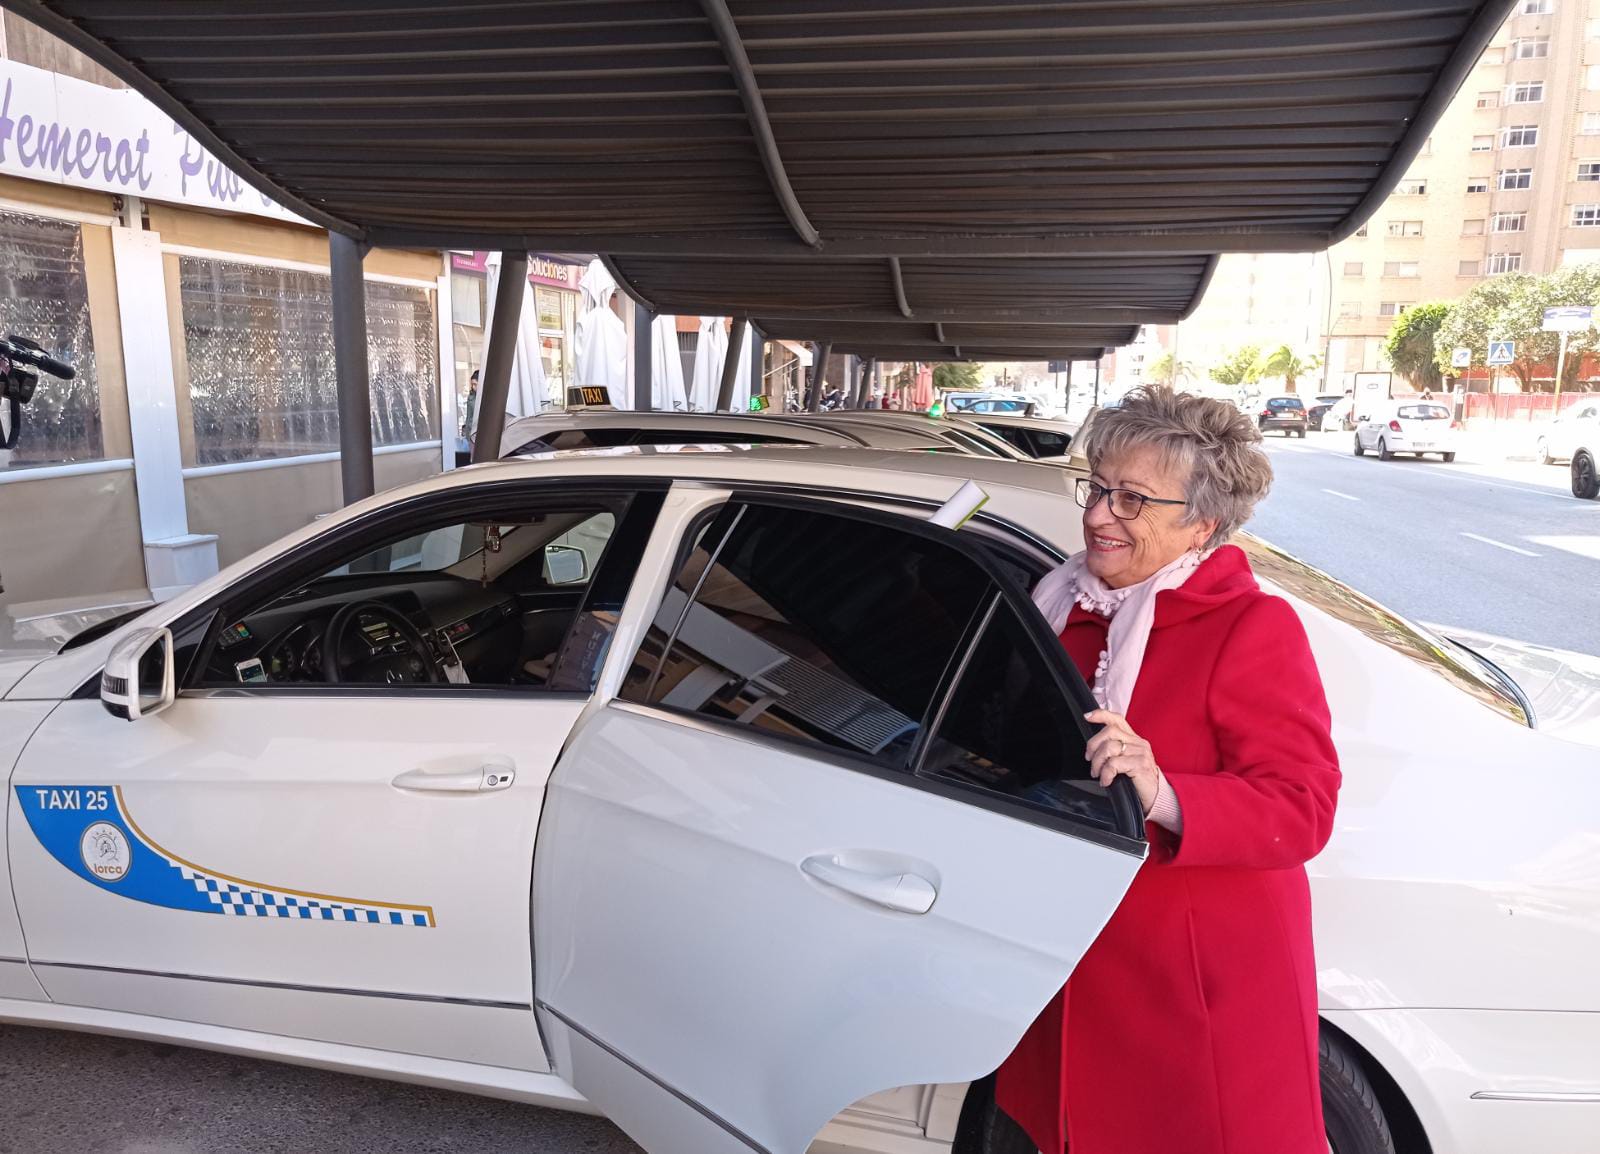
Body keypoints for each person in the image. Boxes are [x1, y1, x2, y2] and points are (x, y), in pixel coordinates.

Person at [994, 385, 1341, 1154]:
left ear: (1202, 524)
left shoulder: (1250, 626)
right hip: (1075, 957)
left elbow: (1303, 806)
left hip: (1194, 989)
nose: (1096, 515)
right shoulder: (1065, 608)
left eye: (1131, 499)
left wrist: (1165, 790)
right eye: (1097, 487)